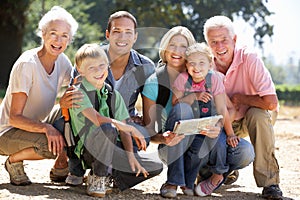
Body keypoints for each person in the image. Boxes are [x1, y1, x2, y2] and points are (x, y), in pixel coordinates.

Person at [63, 10, 163, 191]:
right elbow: (71, 101)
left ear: (135, 37)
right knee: (86, 126)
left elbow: (147, 116)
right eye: (116, 31)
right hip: (90, 127)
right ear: (107, 34)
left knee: (155, 164)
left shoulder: (145, 66)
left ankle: (108, 176)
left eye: (128, 32)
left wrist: (136, 139)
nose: (122, 37)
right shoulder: (90, 58)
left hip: (122, 128)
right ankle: (75, 165)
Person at [203, 15, 282, 199]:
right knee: (204, 176)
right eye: (213, 42)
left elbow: (271, 102)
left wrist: (241, 98)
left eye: (224, 40)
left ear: (235, 40)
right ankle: (228, 169)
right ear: (207, 44)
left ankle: (270, 183)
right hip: (223, 121)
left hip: (249, 119)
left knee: (259, 115)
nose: (219, 47)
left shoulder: (249, 59)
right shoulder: (204, 64)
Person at [0, 6, 78, 186]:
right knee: (52, 145)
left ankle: (61, 165)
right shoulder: (28, 64)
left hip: (34, 124)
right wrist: (47, 128)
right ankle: (13, 161)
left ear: (69, 39)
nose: (58, 40)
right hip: (6, 132)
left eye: (64, 35)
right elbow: (15, 118)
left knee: (75, 112)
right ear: (42, 34)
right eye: (53, 33)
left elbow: (79, 86)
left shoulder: (62, 61)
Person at [142, 26, 221, 198]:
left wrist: (218, 127)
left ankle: (201, 177)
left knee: (242, 152)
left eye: (183, 46)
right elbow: (149, 130)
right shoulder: (153, 82)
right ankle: (173, 181)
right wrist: (164, 138)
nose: (177, 51)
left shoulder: (203, 75)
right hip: (170, 147)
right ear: (164, 48)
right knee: (183, 108)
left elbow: (221, 109)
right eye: (172, 45)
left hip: (199, 142)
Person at [69, 43, 148, 197]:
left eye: (101, 66)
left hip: (110, 148)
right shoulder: (78, 93)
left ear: (108, 66)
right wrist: (131, 128)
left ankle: (111, 175)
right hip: (87, 150)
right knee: (108, 129)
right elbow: (98, 119)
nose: (99, 71)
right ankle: (98, 177)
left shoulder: (112, 94)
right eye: (91, 68)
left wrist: (130, 156)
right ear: (81, 71)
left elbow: (123, 126)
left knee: (153, 166)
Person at [171, 42, 240, 196]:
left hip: (210, 125)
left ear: (210, 64)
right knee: (194, 153)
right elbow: (175, 103)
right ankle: (187, 185)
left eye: (202, 63)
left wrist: (230, 134)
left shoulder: (214, 79)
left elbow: (223, 109)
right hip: (190, 127)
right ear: (187, 65)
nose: (197, 67)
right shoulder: (183, 79)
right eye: (192, 63)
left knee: (220, 142)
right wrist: (194, 96)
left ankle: (218, 174)